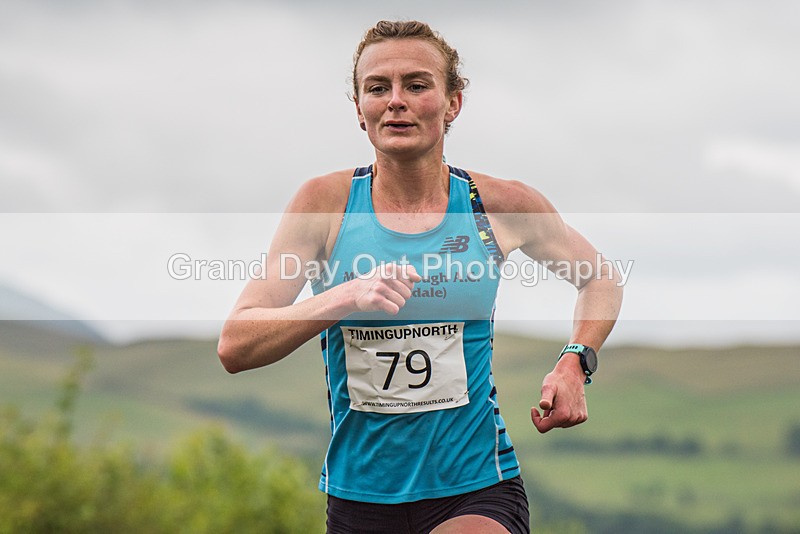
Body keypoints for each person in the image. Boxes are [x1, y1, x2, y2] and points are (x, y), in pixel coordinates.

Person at [218, 20, 623, 534]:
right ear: (359, 110)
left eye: (416, 85)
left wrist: (575, 361)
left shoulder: (499, 205)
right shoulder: (324, 205)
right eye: (378, 88)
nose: (395, 101)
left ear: (452, 102)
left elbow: (600, 279)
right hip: (359, 496)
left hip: (477, 485)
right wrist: (342, 297)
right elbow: (236, 344)